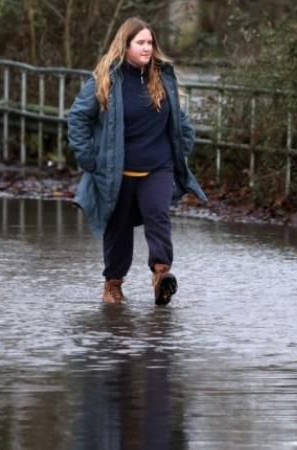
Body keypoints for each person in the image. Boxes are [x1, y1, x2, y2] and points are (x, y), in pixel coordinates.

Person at [67, 17, 207, 305]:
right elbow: (78, 117)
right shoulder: (105, 79)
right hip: (117, 170)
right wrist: (89, 159)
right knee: (118, 228)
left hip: (158, 166)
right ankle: (113, 285)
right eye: (140, 42)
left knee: (158, 215)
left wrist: (183, 147)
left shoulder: (162, 77)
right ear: (125, 45)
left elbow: (180, 119)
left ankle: (161, 274)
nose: (147, 48)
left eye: (150, 43)